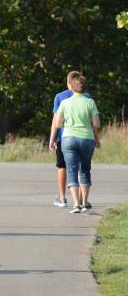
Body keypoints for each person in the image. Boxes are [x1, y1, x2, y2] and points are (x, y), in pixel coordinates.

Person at [49, 73, 101, 214]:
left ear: (71, 86)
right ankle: (85, 203)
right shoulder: (90, 101)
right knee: (84, 170)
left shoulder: (64, 102)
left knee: (71, 170)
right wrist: (96, 138)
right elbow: (96, 123)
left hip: (68, 139)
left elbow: (58, 123)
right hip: (86, 139)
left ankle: (76, 205)